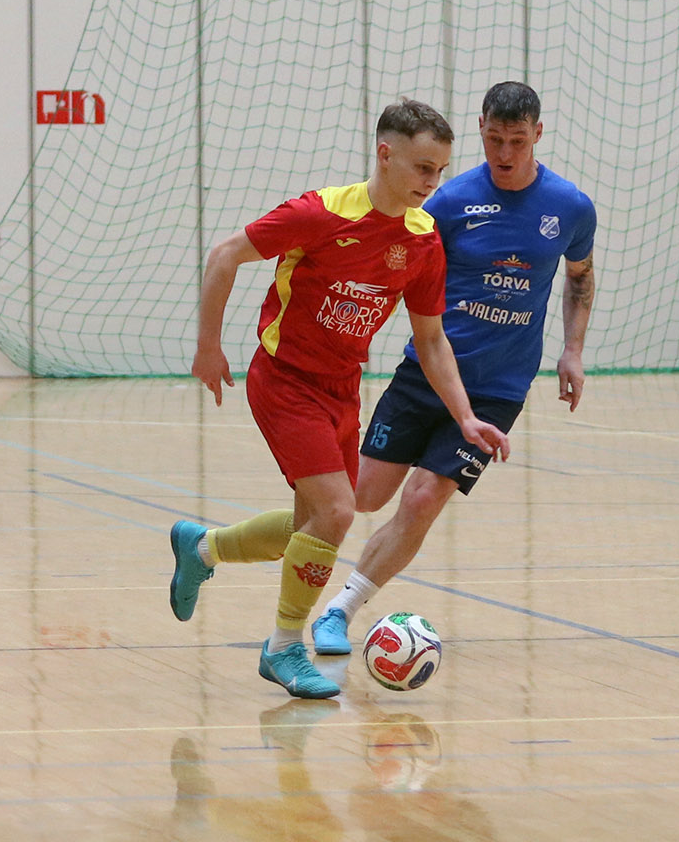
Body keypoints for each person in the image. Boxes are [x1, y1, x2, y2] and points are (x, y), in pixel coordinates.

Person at [172, 98, 510, 700]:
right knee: (336, 513)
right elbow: (225, 255)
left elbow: (432, 340)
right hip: (284, 379)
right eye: (423, 168)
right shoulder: (320, 212)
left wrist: (464, 416)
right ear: (385, 155)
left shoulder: (423, 240)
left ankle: (202, 548)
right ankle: (283, 648)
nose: (433, 182)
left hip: (342, 389)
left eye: (440, 170)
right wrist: (208, 346)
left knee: (315, 524)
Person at [310, 81, 596, 656]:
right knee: (359, 497)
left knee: (422, 498)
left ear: (538, 134)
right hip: (426, 374)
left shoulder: (570, 207)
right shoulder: (449, 201)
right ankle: (238, 543)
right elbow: (401, 268)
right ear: (481, 130)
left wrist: (572, 350)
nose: (505, 153)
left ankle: (339, 612)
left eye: (518, 141)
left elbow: (580, 277)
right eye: (495, 139)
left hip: (497, 389)